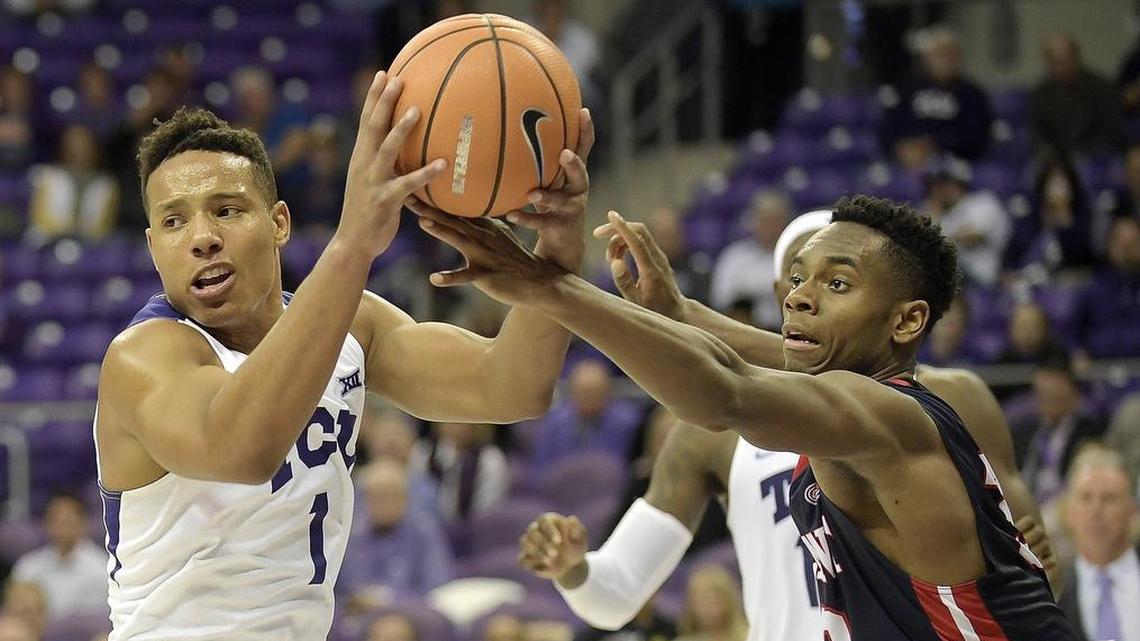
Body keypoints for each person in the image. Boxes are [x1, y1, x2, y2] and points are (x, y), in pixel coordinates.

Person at [411, 194, 1076, 640]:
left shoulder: (889, 416)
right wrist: (677, 312)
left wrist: (550, 289)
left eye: (836, 283)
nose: (800, 298)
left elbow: (729, 390)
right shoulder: (853, 394)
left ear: (906, 320)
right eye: (797, 278)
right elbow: (768, 358)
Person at [92, 71, 594, 639]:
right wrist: (353, 242)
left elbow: (513, 386)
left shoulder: (351, 326)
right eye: (174, 221)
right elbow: (240, 448)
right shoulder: (145, 356)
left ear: (278, 223)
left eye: (227, 210)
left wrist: (554, 250)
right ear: (154, 247)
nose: (201, 237)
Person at [338, 460, 453, 607]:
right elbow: (343, 587)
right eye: (377, 496)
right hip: (358, 615)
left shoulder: (424, 531)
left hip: (410, 613)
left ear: (405, 498)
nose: (384, 504)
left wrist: (389, 600)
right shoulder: (352, 534)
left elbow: (437, 584)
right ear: (365, 500)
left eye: (392, 495)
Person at [1058, 445, 1139, 641]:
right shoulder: (1052, 594)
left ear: (1132, 510)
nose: (1096, 511)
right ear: (1068, 511)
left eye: (1109, 499)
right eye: (1085, 498)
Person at [880, 27, 994, 166]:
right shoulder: (906, 90)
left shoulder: (972, 94)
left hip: (956, 166)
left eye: (951, 54)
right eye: (940, 54)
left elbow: (976, 135)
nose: (947, 60)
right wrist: (903, 147)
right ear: (925, 59)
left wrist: (936, 145)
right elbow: (889, 128)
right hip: (909, 165)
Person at [1012, 354, 1108, 508]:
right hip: (1024, 504)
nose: (1048, 401)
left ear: (1073, 391)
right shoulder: (1023, 430)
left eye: (1054, 396)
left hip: (1065, 506)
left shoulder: (1090, 431)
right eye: (1042, 395)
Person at [527, 358, 643, 468]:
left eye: (595, 393)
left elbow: (630, 462)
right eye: (583, 392)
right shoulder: (555, 421)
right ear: (573, 392)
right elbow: (541, 463)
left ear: (607, 392)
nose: (589, 399)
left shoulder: (627, 421)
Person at [10, 493, 107, 623]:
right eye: (54, 520)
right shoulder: (28, 565)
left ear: (83, 523)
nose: (61, 527)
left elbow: (100, 621)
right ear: (46, 524)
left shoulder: (101, 568)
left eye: (67, 521)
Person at [920, 155, 1011, 287]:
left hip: (979, 280)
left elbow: (971, 236)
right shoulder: (937, 213)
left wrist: (933, 234)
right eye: (935, 183)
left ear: (960, 182)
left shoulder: (982, 202)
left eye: (945, 182)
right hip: (949, 281)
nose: (940, 189)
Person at [709, 190, 789, 331]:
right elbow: (721, 299)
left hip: (785, 331)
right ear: (753, 222)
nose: (769, 227)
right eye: (764, 220)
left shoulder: (793, 257)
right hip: (743, 331)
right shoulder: (733, 257)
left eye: (774, 221)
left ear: (783, 222)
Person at [1030, 34, 1122, 157]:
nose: (1060, 68)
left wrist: (1084, 151)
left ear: (1076, 58)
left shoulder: (1099, 87)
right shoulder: (1041, 93)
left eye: (1064, 61)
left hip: (1092, 154)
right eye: (1055, 62)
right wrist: (1050, 153)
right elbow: (1038, 132)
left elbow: (1110, 130)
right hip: (1055, 158)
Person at [25, 124, 118, 244]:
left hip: (91, 244)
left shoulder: (107, 184)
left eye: (84, 147)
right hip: (50, 239)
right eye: (73, 146)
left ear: (95, 149)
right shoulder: (47, 176)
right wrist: (68, 227)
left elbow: (104, 226)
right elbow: (39, 218)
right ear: (63, 148)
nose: (79, 152)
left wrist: (80, 230)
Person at [674, 565, 748, 641]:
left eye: (715, 599)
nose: (709, 608)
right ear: (691, 606)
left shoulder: (750, 635)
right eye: (702, 600)